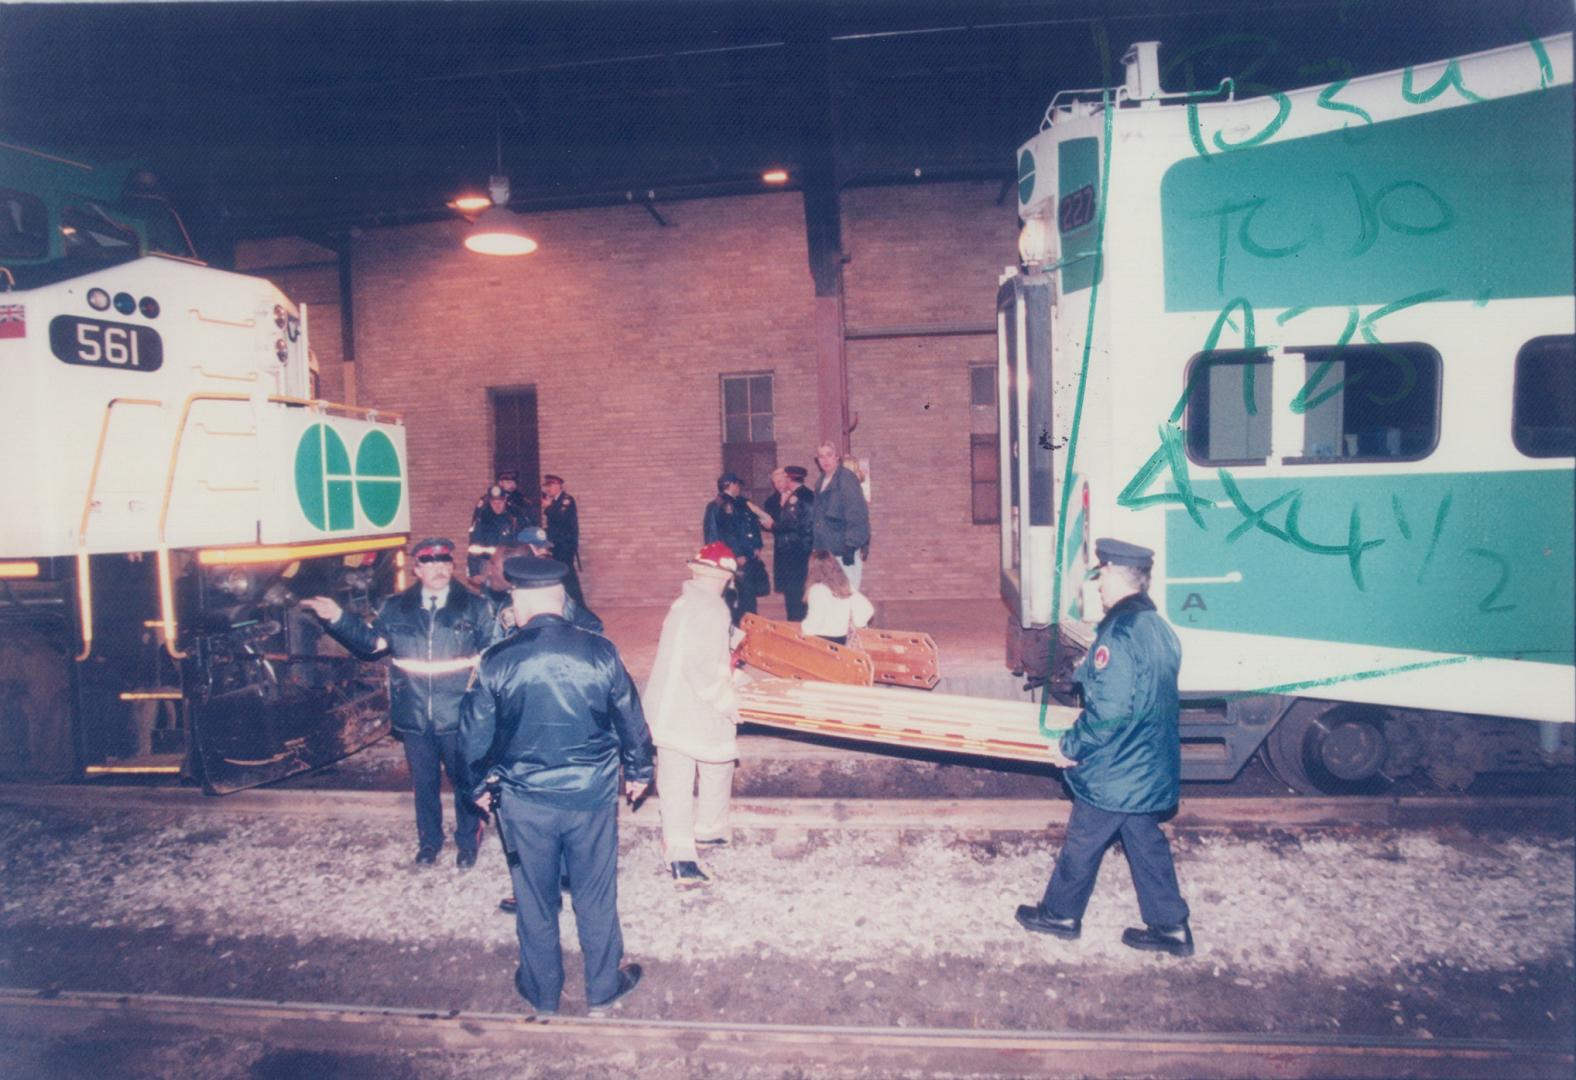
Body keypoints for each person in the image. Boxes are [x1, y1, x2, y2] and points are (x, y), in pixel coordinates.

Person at [460, 555, 652, 1015]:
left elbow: (473, 736)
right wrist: (640, 771)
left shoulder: (496, 659)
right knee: (595, 892)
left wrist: (478, 786)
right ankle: (603, 987)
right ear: (562, 601)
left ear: (519, 601)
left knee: (534, 896)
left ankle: (542, 991)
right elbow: (630, 716)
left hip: (524, 801)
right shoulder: (600, 650)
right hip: (591, 796)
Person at [1015, 538, 1193, 958]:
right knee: (1144, 842)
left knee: (1083, 840)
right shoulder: (1156, 627)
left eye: (1102, 577)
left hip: (1118, 767)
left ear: (1115, 576)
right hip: (1146, 762)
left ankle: (1060, 915)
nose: (1098, 586)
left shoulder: (1121, 631)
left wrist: (1070, 745)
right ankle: (1171, 927)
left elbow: (1110, 710)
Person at [299, 538, 496, 869]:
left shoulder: (475, 607)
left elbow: (492, 656)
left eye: (445, 562)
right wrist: (337, 618)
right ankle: (429, 843)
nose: (439, 569)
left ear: (452, 566)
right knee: (425, 783)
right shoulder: (395, 607)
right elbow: (372, 644)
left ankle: (467, 844)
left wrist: (485, 708)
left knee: (466, 782)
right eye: (430, 564)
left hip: (459, 714)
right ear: (417, 569)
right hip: (414, 715)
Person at [645, 542, 745, 887]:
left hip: (668, 708)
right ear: (727, 577)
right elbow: (701, 668)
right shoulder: (712, 609)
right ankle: (682, 858)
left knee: (711, 766)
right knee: (683, 778)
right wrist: (728, 703)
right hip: (689, 710)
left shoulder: (687, 602)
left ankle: (709, 831)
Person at [702, 472, 767, 625]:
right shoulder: (721, 505)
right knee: (737, 594)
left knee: (748, 593)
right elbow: (727, 533)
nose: (739, 487)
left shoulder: (741, 503)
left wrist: (757, 545)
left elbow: (752, 526)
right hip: (735, 557)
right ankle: (738, 625)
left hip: (747, 555)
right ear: (729, 484)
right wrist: (737, 554)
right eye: (737, 484)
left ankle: (750, 622)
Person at [810, 441, 870, 593]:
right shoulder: (820, 482)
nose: (825, 460)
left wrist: (851, 545)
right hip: (827, 552)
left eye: (829, 455)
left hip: (844, 551)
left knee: (848, 597)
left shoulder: (846, 479)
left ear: (837, 457)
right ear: (817, 460)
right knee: (832, 599)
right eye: (821, 457)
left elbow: (857, 514)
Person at [762, 465, 814, 621]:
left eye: (782, 480)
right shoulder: (804, 495)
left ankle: (798, 628)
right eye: (775, 481)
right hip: (792, 550)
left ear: (788, 479)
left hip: (796, 551)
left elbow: (792, 524)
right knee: (794, 594)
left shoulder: (796, 498)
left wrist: (773, 525)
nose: (779, 484)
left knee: (797, 595)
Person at [800, 550, 873, 645]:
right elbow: (868, 610)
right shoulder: (844, 585)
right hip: (841, 640)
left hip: (821, 642)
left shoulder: (817, 590)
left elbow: (814, 622)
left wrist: (803, 628)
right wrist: (858, 624)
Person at [541, 474, 585, 608]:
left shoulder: (566, 500)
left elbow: (561, 517)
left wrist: (548, 508)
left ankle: (579, 605)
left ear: (559, 485)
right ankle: (568, 605)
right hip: (556, 544)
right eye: (547, 486)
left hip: (565, 545)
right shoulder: (554, 501)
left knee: (568, 575)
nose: (549, 489)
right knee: (561, 575)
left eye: (552, 486)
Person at [468, 485, 523, 580]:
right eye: (494, 502)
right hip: (487, 564)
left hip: (508, 564)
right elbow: (474, 547)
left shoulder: (513, 519)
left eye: (500, 502)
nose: (497, 506)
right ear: (489, 502)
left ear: (505, 501)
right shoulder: (482, 520)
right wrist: (474, 572)